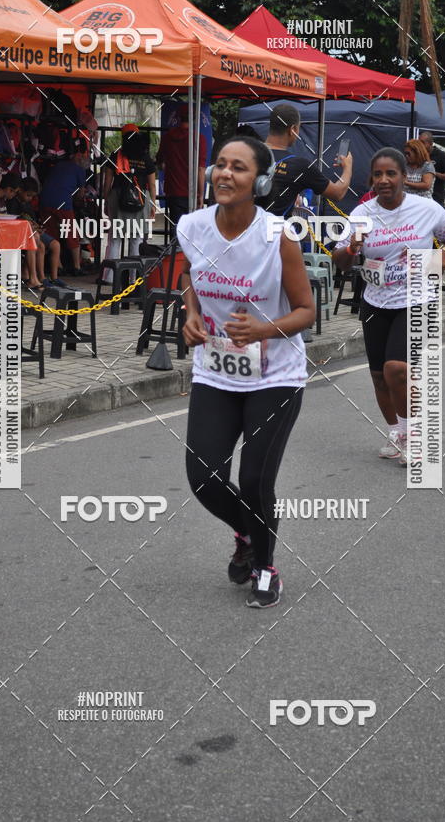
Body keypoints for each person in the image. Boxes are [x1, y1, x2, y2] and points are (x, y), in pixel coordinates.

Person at [177, 135, 315, 609]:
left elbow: (306, 310)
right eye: (219, 164)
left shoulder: (279, 236)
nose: (225, 174)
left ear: (258, 179)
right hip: (216, 369)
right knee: (203, 476)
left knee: (256, 479)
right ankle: (247, 530)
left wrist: (263, 329)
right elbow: (191, 278)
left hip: (275, 374)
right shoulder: (192, 226)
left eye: (238, 167)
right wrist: (190, 314)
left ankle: (265, 567)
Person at [333, 147, 445, 464]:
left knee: (398, 369)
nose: (384, 180)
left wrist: (442, 256)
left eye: (391, 173)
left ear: (404, 177)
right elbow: (339, 261)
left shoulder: (425, 209)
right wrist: (352, 247)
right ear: (371, 179)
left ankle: (416, 435)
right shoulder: (361, 214)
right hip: (375, 302)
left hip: (417, 300)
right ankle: (397, 431)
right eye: (377, 174)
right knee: (379, 376)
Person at [254, 102, 352, 217]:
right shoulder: (300, 166)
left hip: (242, 229)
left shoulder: (248, 154)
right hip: (275, 231)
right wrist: (348, 167)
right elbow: (337, 193)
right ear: (292, 129)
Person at [102, 124, 156, 269]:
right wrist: (153, 205)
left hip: (118, 198)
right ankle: (133, 277)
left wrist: (106, 201)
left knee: (115, 239)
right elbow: (152, 186)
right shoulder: (146, 158)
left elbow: (107, 182)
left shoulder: (115, 155)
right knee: (136, 239)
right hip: (140, 200)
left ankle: (110, 276)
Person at [156, 104, 207, 228]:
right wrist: (201, 194)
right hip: (192, 192)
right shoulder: (199, 139)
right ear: (194, 118)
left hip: (172, 191)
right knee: (192, 231)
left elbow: (159, 160)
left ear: (178, 118)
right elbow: (200, 169)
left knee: (176, 230)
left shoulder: (167, 137)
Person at [8, 178, 64, 288]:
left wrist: (38, 227)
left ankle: (54, 278)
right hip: (24, 233)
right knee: (41, 246)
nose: (30, 198)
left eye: (32, 196)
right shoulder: (13, 203)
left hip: (34, 231)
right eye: (28, 195)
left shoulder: (28, 205)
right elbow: (14, 221)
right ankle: (41, 278)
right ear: (19, 191)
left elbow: (33, 220)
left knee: (56, 245)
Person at [39, 150, 87, 275]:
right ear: (78, 157)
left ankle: (58, 266)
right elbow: (81, 193)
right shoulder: (80, 170)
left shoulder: (59, 165)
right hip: (62, 203)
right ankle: (76, 267)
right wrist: (77, 200)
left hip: (44, 200)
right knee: (71, 232)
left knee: (51, 233)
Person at [419, 131, 445, 205]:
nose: (420, 145)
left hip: (436, 196)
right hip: (421, 196)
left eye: (423, 142)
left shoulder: (442, 156)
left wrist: (432, 172)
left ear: (430, 143)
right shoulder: (418, 156)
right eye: (419, 142)